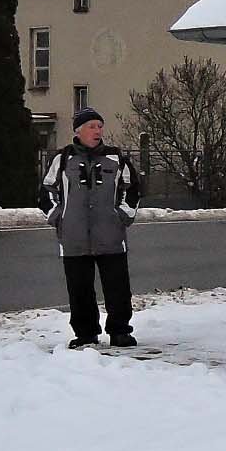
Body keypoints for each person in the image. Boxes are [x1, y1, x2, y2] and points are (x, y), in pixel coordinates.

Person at [40, 107, 140, 350]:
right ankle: (85, 334)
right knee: (79, 289)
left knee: (117, 288)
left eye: (100, 126)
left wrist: (122, 215)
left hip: (111, 236)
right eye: (91, 126)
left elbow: (132, 189)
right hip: (73, 237)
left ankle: (120, 331)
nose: (97, 131)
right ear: (78, 131)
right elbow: (46, 191)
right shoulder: (62, 159)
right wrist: (58, 217)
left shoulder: (116, 159)